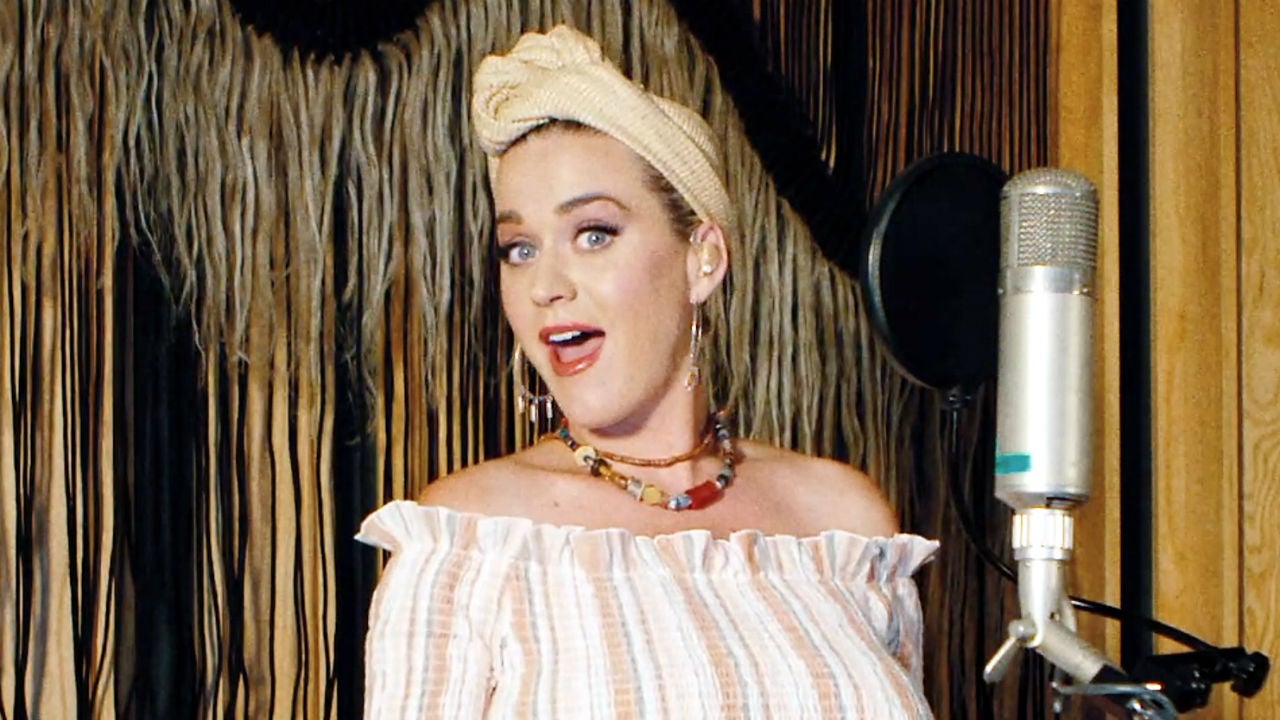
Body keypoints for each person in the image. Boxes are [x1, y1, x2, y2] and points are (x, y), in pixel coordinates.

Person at [357, 25, 937, 718]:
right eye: (519, 249)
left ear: (703, 258)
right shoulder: (467, 541)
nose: (547, 286)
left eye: (593, 234)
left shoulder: (845, 527)